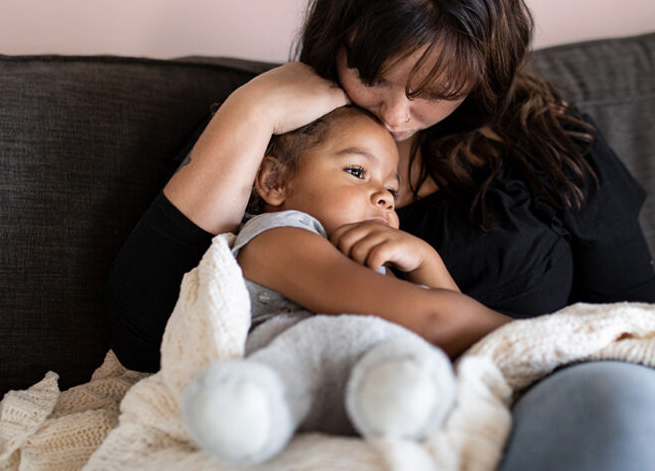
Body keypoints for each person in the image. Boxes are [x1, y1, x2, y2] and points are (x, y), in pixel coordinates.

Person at [106, 0, 655, 469]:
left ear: (483, 72)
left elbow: (633, 325)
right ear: (339, 38)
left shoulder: (552, 141)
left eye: (434, 91)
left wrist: (436, 269)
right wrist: (251, 110)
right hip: (366, 422)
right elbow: (149, 333)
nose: (394, 113)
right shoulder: (281, 145)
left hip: (543, 405)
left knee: (635, 411)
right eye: (374, 75)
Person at [182, 105, 500, 465]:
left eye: (391, 189)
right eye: (356, 171)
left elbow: (459, 339)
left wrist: (426, 259)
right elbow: (432, 319)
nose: (384, 197)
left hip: (380, 397)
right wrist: (525, 333)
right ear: (275, 181)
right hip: (296, 399)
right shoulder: (279, 239)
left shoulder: (363, 257)